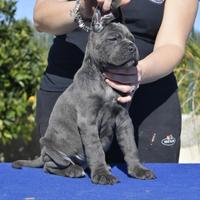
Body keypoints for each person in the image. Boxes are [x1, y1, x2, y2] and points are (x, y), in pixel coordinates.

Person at [33, 0, 198, 163]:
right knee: (65, 185)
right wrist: (83, 8)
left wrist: (138, 72)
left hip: (149, 101)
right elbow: (41, 18)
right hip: (71, 95)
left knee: (152, 186)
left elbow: (172, 44)